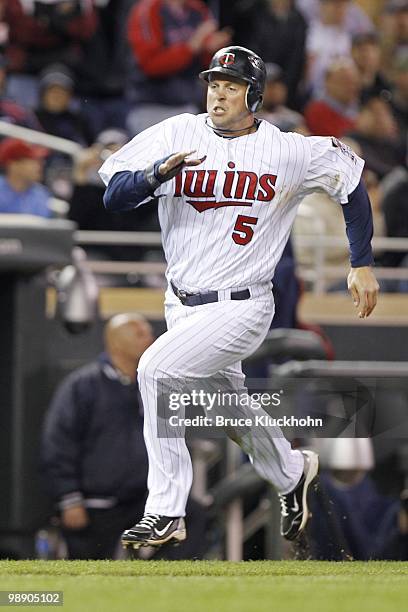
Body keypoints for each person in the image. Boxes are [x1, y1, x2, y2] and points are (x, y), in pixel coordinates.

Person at [99, 45, 379, 550]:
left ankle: (164, 511)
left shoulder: (285, 148)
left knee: (156, 371)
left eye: (231, 85)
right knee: (230, 412)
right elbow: (113, 194)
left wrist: (361, 264)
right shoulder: (176, 132)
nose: (219, 94)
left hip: (244, 304)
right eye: (213, 83)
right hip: (181, 304)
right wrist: (154, 175)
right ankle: (293, 471)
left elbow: (353, 181)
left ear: (253, 94)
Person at [41, 313, 207, 559]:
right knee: (89, 573)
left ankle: (161, 585)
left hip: (143, 496)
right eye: (140, 334)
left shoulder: (155, 385)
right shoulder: (82, 386)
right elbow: (58, 444)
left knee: (191, 514)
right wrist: (69, 499)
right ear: (116, 342)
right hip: (95, 501)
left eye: (149, 333)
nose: (151, 338)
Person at [126, 0, 231, 134]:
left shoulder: (197, 9)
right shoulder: (148, 9)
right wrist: (192, 46)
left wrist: (211, 50)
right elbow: (150, 65)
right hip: (152, 107)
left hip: (189, 106)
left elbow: (206, 65)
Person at [304, 59, 361, 137]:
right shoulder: (317, 111)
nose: (351, 87)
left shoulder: (359, 108)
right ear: (328, 82)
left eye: (354, 83)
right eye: (345, 82)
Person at [0, 137, 51, 216]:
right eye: (33, 160)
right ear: (13, 165)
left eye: (40, 161)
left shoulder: (41, 194)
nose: (40, 165)